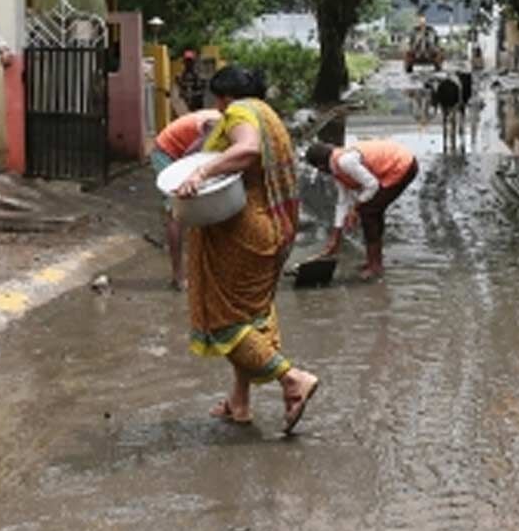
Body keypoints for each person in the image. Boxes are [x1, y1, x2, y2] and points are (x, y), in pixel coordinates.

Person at [175, 66, 319, 432]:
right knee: (252, 316)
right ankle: (239, 402)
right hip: (268, 227)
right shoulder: (267, 114)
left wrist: (201, 174)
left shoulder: (240, 113)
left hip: (242, 230)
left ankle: (292, 379)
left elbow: (247, 149)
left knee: (225, 321)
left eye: (218, 104)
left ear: (224, 97)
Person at [304, 139, 419, 280]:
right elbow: (342, 202)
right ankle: (375, 261)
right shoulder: (337, 165)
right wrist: (336, 237)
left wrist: (355, 208)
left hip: (402, 165)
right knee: (373, 210)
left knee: (368, 212)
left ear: (321, 166)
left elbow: (372, 185)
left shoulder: (344, 162)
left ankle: (375, 266)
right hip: (394, 164)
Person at [152, 108, 222, 290]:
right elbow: (190, 155)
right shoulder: (218, 123)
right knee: (176, 211)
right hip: (167, 153)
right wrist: (189, 177)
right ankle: (178, 276)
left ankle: (200, 270)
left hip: (181, 150)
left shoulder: (231, 118)